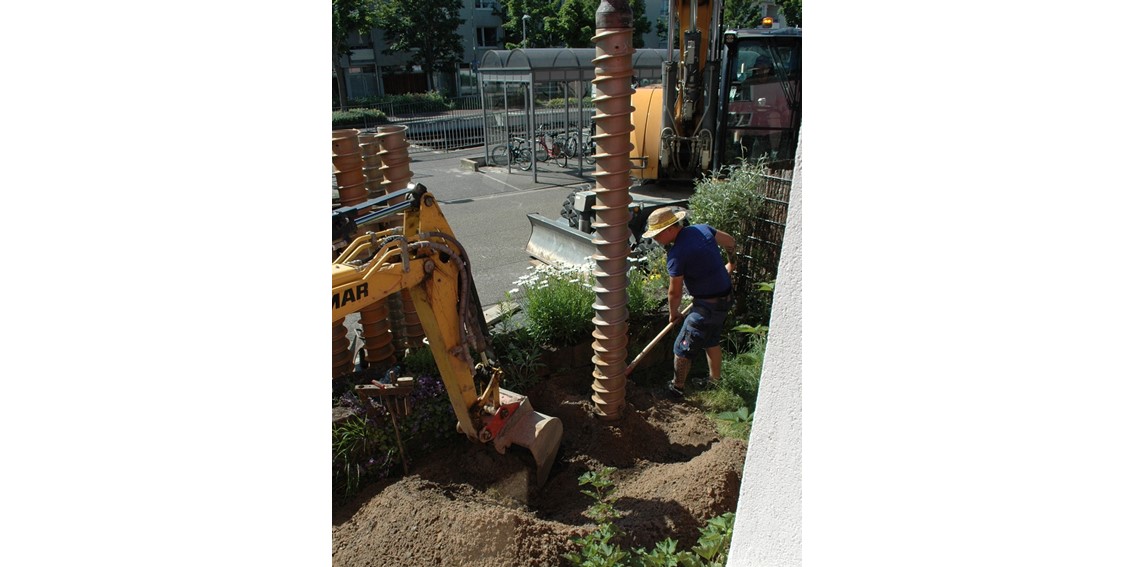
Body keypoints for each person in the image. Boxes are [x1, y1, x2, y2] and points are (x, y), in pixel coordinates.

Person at [641, 207, 737, 398]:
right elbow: (730, 242)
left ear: (670, 229)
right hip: (725, 299)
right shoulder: (702, 229)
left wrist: (673, 313)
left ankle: (676, 389)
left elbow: (674, 292)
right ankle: (715, 382)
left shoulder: (677, 254)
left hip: (707, 306)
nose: (656, 239)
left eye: (657, 234)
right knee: (711, 339)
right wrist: (732, 264)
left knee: (682, 347)